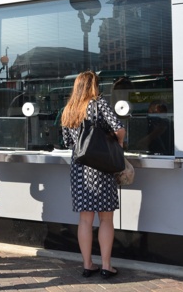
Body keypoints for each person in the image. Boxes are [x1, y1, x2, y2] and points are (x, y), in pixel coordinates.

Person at [61, 71, 125, 279]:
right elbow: (119, 128)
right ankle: (106, 266)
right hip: (101, 166)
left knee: (85, 219)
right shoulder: (99, 104)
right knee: (106, 218)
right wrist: (118, 144)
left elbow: (67, 142)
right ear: (94, 86)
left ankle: (87, 265)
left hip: (80, 168)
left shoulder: (69, 109)